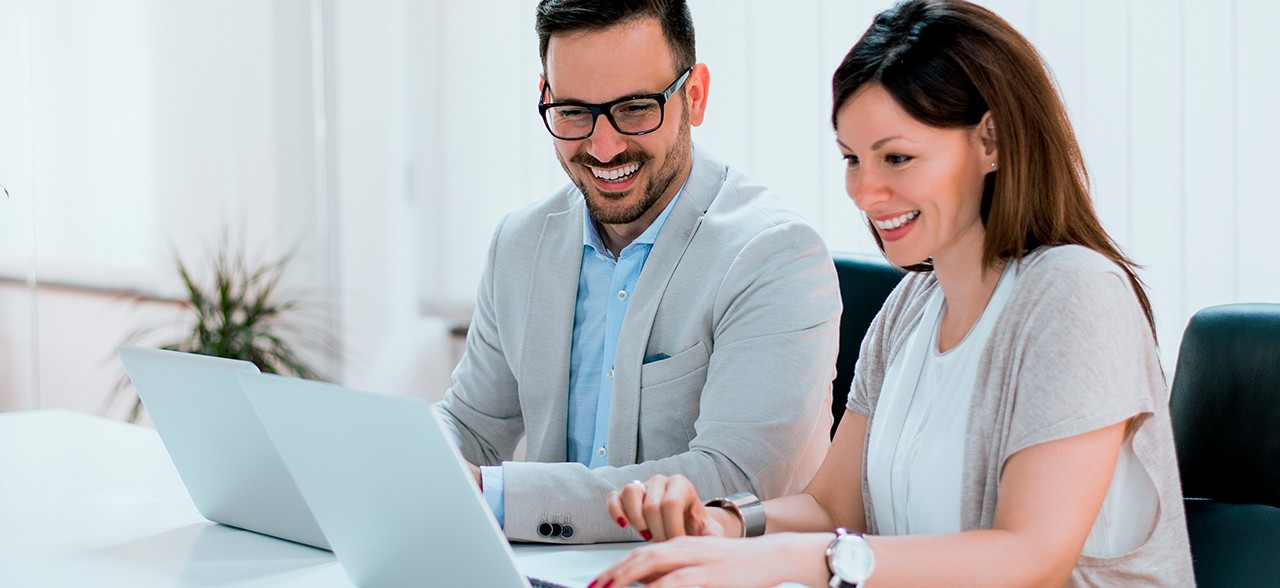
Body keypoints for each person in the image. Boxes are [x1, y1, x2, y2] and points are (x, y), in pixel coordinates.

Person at [592, 0, 1195, 585]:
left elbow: (1029, 560)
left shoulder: (1075, 295)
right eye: (853, 159)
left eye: (897, 158)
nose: (864, 191)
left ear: (992, 142)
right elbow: (831, 510)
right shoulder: (910, 308)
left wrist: (788, 563)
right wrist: (719, 524)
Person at [433, 0, 841, 545]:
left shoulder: (775, 256)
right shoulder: (519, 244)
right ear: (545, 97)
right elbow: (470, 427)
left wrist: (494, 495)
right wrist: (417, 460)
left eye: (634, 109)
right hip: (548, 571)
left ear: (693, 97)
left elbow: (734, 482)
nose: (603, 147)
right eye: (574, 111)